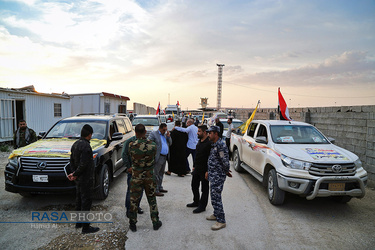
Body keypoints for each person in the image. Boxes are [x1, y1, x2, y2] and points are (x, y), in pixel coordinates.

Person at [128, 124, 162, 232]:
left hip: (136, 176)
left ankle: (132, 223)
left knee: (134, 200)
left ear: (136, 132)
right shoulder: (153, 145)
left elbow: (131, 157)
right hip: (149, 176)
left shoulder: (131, 145)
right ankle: (155, 222)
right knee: (152, 199)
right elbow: (154, 157)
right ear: (145, 132)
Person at [68, 124, 100, 234]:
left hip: (78, 178)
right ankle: (86, 227)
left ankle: (79, 222)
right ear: (90, 134)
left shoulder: (75, 144)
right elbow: (84, 164)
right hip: (86, 178)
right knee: (86, 201)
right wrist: (76, 173)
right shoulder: (86, 146)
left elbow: (71, 161)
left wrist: (74, 174)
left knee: (79, 200)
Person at [205, 126, 231, 231]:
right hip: (213, 174)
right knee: (213, 196)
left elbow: (225, 161)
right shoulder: (214, 144)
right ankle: (216, 214)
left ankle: (221, 220)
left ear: (216, 134)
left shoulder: (221, 145)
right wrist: (208, 171)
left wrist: (226, 171)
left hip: (218, 175)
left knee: (216, 197)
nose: (208, 135)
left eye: (210, 133)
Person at [187, 125, 211, 214]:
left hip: (205, 170)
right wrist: (194, 166)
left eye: (199, 131)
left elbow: (210, 158)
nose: (197, 133)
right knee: (194, 185)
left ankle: (202, 206)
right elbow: (197, 155)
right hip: (197, 168)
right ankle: (196, 201)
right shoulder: (200, 142)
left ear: (204, 132)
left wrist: (208, 171)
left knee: (204, 189)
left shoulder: (209, 143)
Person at [122, 135, 144, 218]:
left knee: (140, 190)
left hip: (142, 171)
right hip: (133, 171)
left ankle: (137, 206)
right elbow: (124, 154)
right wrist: (128, 166)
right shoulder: (129, 142)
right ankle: (128, 209)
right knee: (131, 191)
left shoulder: (145, 141)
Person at [148, 123, 172, 196]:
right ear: (160, 128)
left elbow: (170, 143)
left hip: (165, 156)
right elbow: (149, 142)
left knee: (161, 173)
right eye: (164, 130)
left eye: (166, 130)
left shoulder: (165, 135)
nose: (165, 131)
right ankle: (155, 189)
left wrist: (168, 137)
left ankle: (160, 186)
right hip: (158, 156)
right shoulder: (154, 134)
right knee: (156, 173)